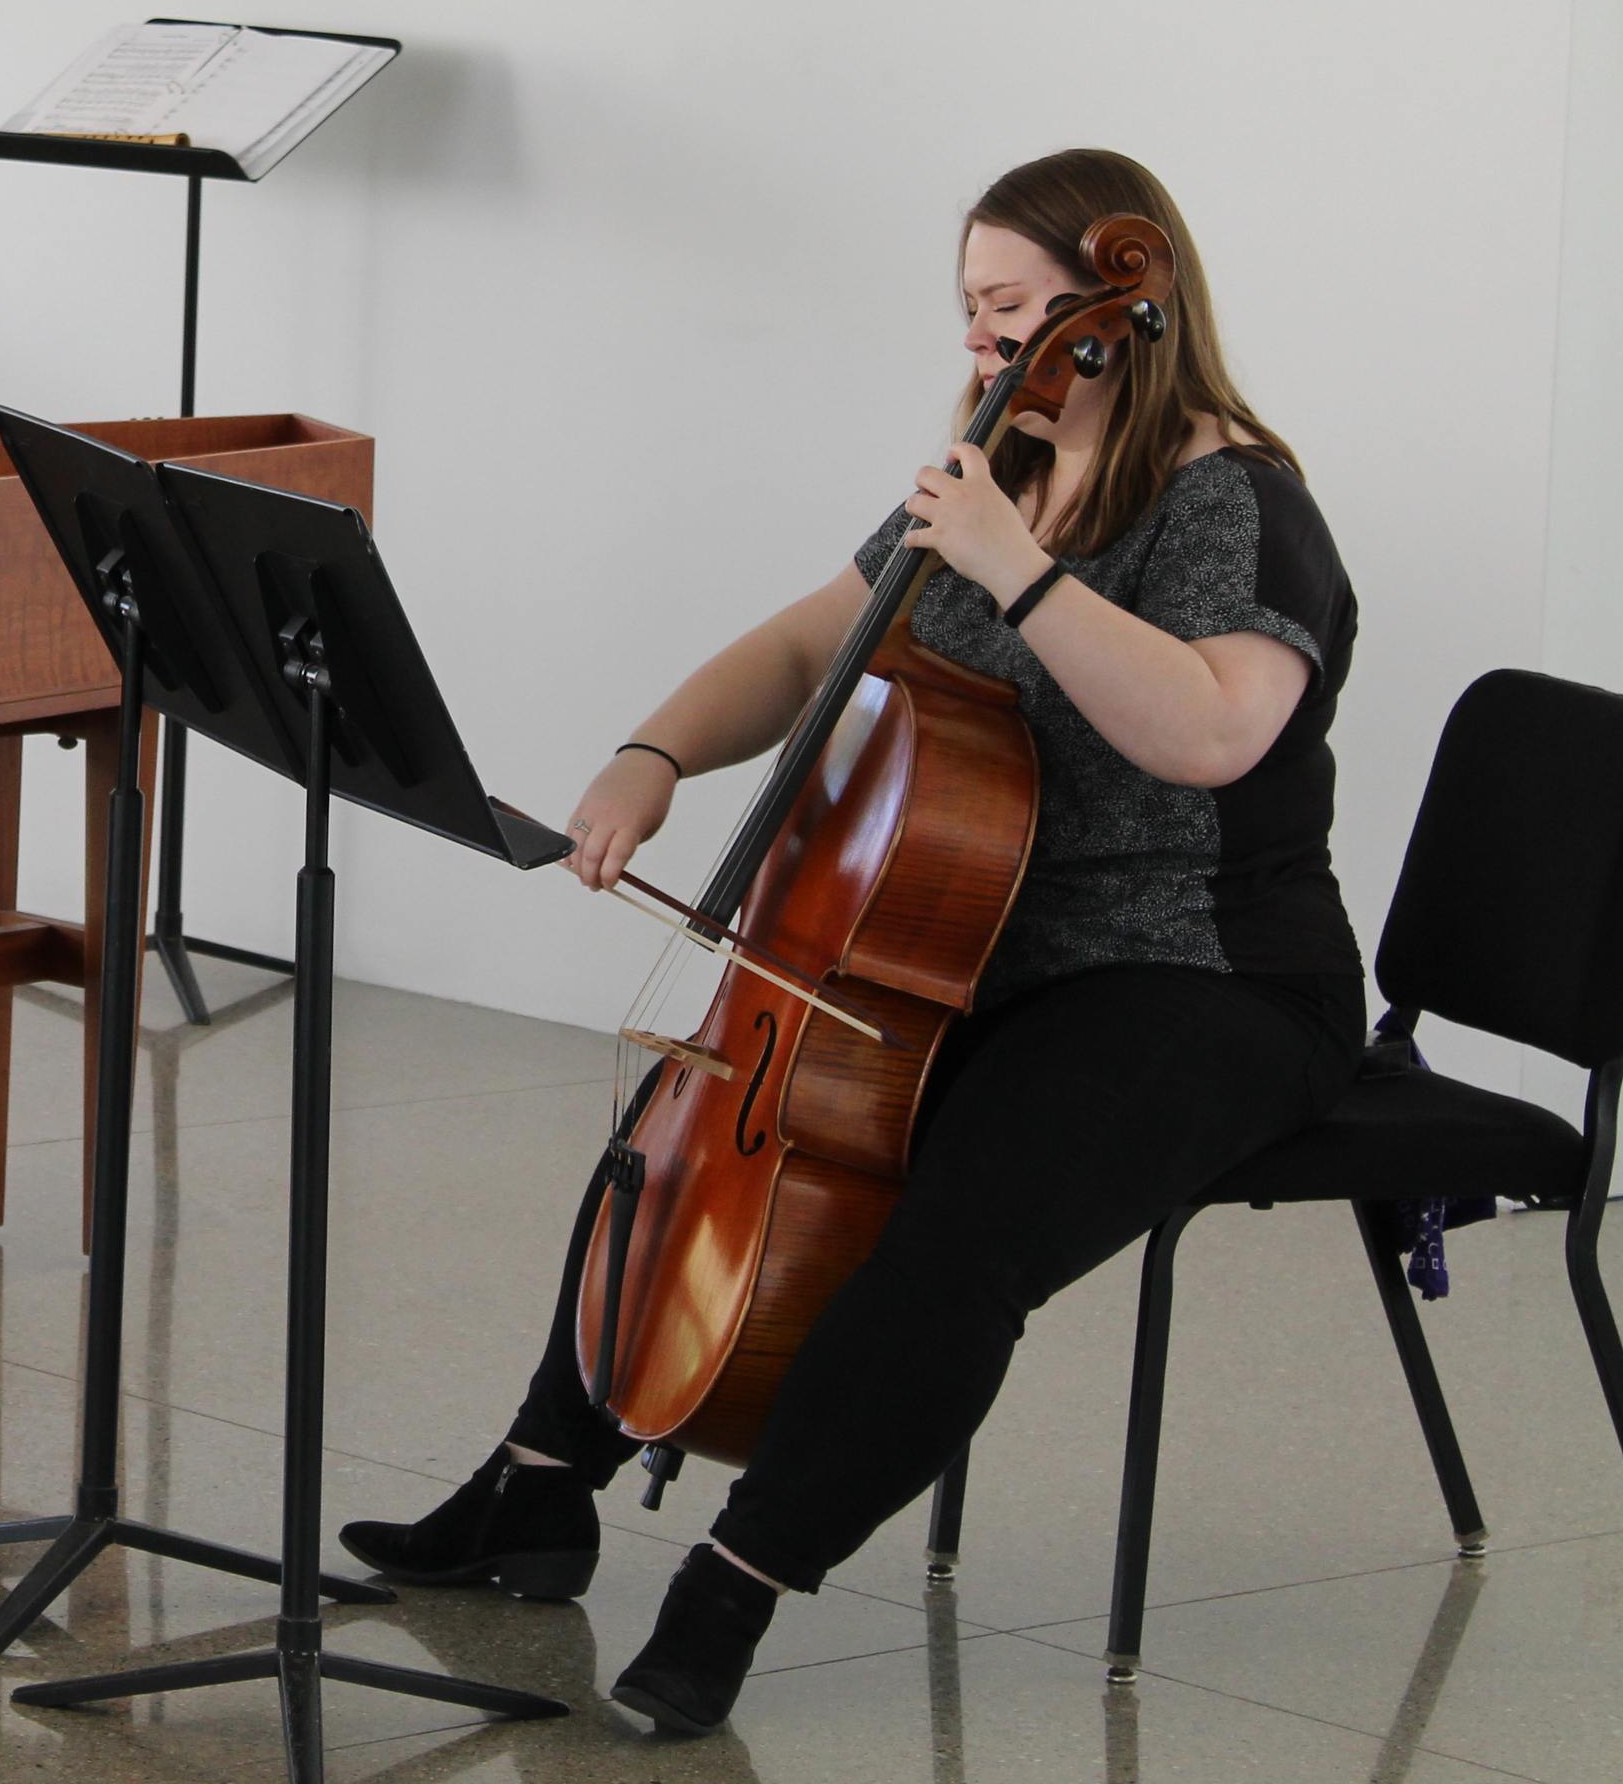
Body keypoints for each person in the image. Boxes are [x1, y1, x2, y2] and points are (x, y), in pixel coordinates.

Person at [341, 148, 1362, 1736]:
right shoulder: (995, 466)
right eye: (972, 307)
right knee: (680, 1130)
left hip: (1198, 976)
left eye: (1011, 304)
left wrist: (1018, 571)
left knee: (965, 1234)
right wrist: (654, 754)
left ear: (1127, 304)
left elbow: (1217, 733)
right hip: (966, 951)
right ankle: (535, 1485)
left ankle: (736, 1584)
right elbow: (815, 640)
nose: (984, 339)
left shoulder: (1237, 503)